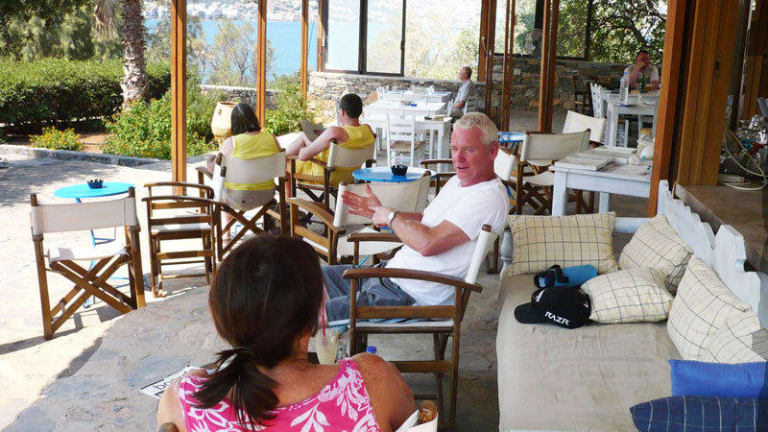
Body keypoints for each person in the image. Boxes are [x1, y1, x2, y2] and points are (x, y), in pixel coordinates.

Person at [156, 236, 415, 432]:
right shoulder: (372, 381)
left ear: (222, 317)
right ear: (312, 316)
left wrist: (195, 380)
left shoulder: (183, 403)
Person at [323, 112, 509, 324]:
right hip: (390, 274)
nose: (458, 159)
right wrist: (382, 212)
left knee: (312, 314)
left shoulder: (488, 197)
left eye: (469, 150)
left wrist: (391, 217)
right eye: (454, 148)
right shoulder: (459, 182)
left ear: (492, 151)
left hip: (409, 294)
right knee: (309, 279)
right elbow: (427, 219)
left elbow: (428, 244)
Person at [206, 103, 281, 237]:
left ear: (234, 123)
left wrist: (209, 162)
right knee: (228, 184)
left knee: (222, 186)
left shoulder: (232, 142)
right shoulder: (272, 138)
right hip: (267, 196)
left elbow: (215, 170)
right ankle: (262, 233)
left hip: (239, 198)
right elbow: (281, 166)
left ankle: (226, 232)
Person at [285, 93, 375, 195]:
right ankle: (282, 155)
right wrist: (322, 137)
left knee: (286, 161)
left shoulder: (334, 132)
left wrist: (307, 142)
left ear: (342, 112)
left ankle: (288, 201)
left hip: (326, 177)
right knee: (305, 139)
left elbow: (302, 156)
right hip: (351, 177)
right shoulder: (368, 130)